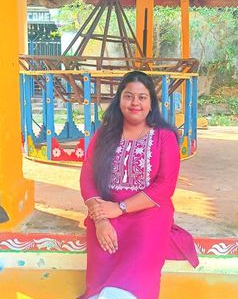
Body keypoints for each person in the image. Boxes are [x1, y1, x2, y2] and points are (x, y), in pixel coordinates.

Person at [79, 71, 198, 299]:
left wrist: (120, 208)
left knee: (132, 281)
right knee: (99, 281)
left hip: (149, 214)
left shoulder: (164, 137)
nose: (135, 103)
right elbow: (87, 175)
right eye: (128, 96)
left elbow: (165, 187)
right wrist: (101, 218)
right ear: (119, 100)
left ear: (151, 103)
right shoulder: (105, 134)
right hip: (106, 213)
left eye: (142, 97)